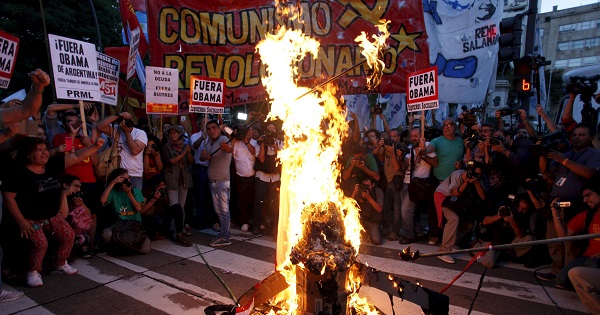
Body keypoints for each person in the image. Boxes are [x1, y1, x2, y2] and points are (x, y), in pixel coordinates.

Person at [2, 136, 104, 287]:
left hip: (52, 215)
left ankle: (59, 264)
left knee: (68, 235)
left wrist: (95, 147)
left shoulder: (52, 165)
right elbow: (8, 198)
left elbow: (76, 156)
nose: (44, 153)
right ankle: (33, 272)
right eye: (39, 150)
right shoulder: (18, 172)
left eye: (45, 149)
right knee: (40, 244)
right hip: (30, 218)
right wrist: (21, 221)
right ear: (28, 154)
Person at [537, 123, 600, 281]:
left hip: (575, 202)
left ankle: (569, 275)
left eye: (582, 135)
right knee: (553, 239)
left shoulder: (593, 154)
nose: (577, 138)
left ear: (591, 138)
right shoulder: (567, 153)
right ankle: (556, 269)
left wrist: (564, 160)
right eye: (575, 135)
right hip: (556, 200)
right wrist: (542, 154)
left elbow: (590, 173)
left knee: (570, 243)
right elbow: (546, 171)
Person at [551, 177, 600, 290]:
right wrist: (556, 214)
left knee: (590, 268)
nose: (585, 200)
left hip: (595, 262)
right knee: (561, 279)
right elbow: (563, 237)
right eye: (583, 197)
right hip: (587, 258)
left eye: (588, 195)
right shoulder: (587, 215)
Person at [434, 162, 486, 264]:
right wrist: (466, 182)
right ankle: (443, 251)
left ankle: (453, 243)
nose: (475, 176)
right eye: (474, 173)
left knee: (469, 223)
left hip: (458, 202)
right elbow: (454, 193)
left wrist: (476, 183)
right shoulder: (457, 174)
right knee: (453, 219)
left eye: (479, 174)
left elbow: (483, 197)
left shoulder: (479, 180)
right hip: (443, 196)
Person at [99, 168, 150, 253]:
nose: (127, 181)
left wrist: (129, 193)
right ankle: (124, 246)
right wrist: (113, 182)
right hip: (120, 225)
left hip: (134, 225)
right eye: (124, 179)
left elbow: (138, 208)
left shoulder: (135, 191)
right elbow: (102, 201)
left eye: (128, 178)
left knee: (146, 249)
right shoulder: (114, 192)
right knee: (106, 234)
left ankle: (123, 247)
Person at [200, 120, 233, 247]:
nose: (211, 130)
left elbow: (230, 149)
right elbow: (202, 158)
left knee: (223, 211)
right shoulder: (209, 142)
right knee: (219, 210)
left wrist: (227, 148)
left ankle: (225, 236)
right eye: (208, 129)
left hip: (222, 182)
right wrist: (204, 157)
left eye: (214, 128)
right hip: (213, 182)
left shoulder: (223, 138)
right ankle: (224, 233)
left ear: (219, 129)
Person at [403, 128, 438, 244]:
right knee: (412, 211)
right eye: (412, 136)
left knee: (406, 210)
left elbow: (435, 163)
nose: (413, 138)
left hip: (423, 185)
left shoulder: (428, 146)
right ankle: (419, 233)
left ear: (422, 137)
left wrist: (422, 155)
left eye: (416, 136)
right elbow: (405, 165)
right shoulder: (409, 148)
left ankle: (411, 235)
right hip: (410, 184)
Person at [97, 112, 148, 189]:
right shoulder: (116, 129)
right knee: (117, 200)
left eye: (128, 120)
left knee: (133, 200)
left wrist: (127, 132)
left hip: (134, 175)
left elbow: (135, 151)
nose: (127, 122)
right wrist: (118, 115)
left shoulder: (140, 133)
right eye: (124, 120)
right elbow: (100, 126)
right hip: (117, 174)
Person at [141, 175, 192, 247]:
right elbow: (142, 211)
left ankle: (179, 235)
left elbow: (166, 208)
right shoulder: (147, 192)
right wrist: (154, 199)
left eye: (163, 185)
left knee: (177, 207)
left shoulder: (164, 193)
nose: (161, 187)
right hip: (149, 218)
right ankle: (154, 234)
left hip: (161, 216)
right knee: (158, 220)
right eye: (159, 185)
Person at [160, 125, 193, 229]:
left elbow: (192, 161)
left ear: (179, 135)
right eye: (171, 133)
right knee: (174, 206)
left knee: (181, 205)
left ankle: (180, 228)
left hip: (184, 179)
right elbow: (170, 161)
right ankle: (173, 230)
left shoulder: (185, 146)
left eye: (175, 133)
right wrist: (183, 153)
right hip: (172, 179)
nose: (172, 135)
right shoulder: (166, 146)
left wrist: (188, 153)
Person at [253, 122, 283, 235]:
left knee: (274, 203)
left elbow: (282, 156)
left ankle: (273, 228)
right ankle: (256, 225)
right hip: (262, 176)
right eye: (269, 128)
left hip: (274, 177)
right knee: (258, 201)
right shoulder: (260, 143)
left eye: (273, 128)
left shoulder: (280, 143)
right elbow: (261, 159)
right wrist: (263, 144)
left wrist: (274, 145)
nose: (271, 130)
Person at [231, 126, 258, 232]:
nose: (248, 133)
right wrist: (234, 137)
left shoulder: (255, 143)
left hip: (252, 178)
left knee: (251, 200)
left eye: (250, 131)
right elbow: (230, 150)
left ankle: (250, 220)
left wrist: (247, 142)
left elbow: (255, 153)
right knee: (241, 201)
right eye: (247, 131)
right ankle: (244, 222)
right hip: (240, 178)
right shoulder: (237, 143)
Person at [60, 175, 93, 258]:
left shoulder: (75, 197)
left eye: (79, 187)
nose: (78, 190)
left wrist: (81, 205)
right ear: (65, 185)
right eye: (76, 186)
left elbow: (89, 215)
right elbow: (64, 215)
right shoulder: (60, 196)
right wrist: (64, 195)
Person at [351, 177, 384, 245]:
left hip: (373, 221)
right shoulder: (360, 190)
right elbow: (350, 204)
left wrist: (368, 197)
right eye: (364, 185)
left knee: (377, 241)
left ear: (373, 185)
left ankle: (377, 229)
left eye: (368, 185)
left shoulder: (378, 192)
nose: (366, 187)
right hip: (361, 219)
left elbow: (379, 209)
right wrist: (354, 192)